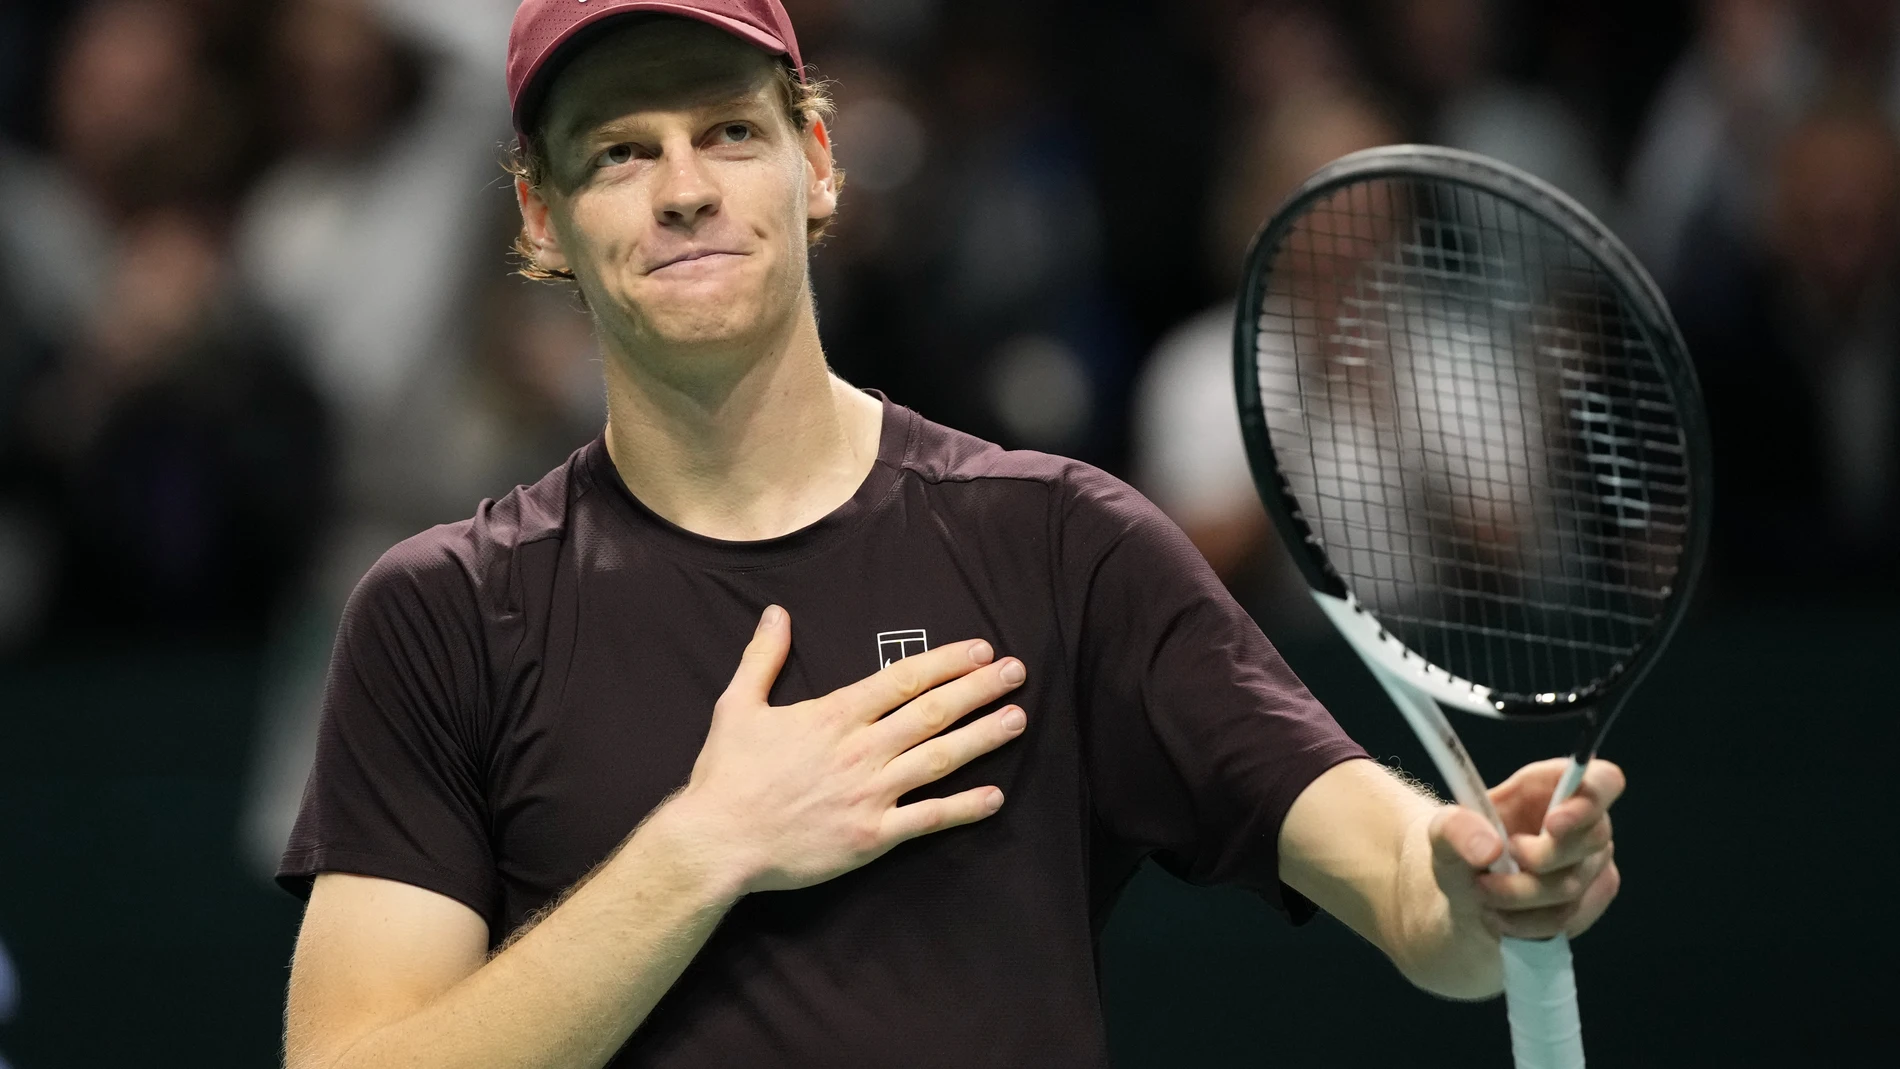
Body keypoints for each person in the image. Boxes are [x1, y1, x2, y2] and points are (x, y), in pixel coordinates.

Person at [278, 3, 1626, 1067]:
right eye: (620, 152)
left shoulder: (1058, 544)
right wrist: (704, 851)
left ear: (815, 163)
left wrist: (1483, 882)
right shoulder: (440, 614)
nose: (682, 188)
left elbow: (1405, 892)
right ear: (541, 214)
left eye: (727, 135)